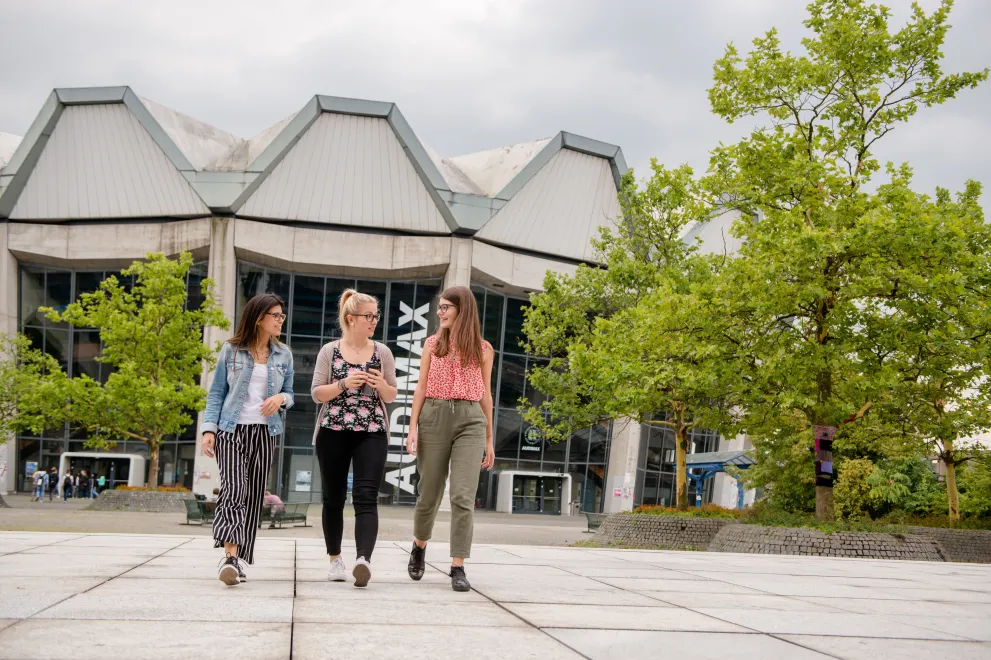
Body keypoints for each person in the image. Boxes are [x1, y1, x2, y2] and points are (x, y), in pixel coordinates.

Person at [201, 293, 294, 586]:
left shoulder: (284, 354)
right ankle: (229, 558)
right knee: (234, 488)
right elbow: (217, 392)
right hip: (231, 430)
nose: (280, 320)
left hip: (265, 433)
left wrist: (280, 398)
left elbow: (291, 393)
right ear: (259, 318)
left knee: (253, 497)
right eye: (276, 315)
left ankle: (238, 559)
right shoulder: (231, 350)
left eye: (282, 315)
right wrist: (208, 430)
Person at [405, 286, 495, 592]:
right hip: (434, 415)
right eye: (439, 307)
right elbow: (420, 387)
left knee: (462, 495)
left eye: (446, 307)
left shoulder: (484, 349)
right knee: (429, 492)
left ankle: (458, 565)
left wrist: (489, 438)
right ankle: (419, 546)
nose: (440, 312)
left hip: (471, 420)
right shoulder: (432, 344)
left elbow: (486, 395)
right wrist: (413, 427)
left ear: (462, 310)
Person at [311, 289, 398, 588]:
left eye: (376, 316)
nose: (374, 321)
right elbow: (316, 393)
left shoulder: (382, 352)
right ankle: (335, 560)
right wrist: (344, 383)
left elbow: (391, 395)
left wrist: (381, 384)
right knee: (333, 498)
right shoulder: (330, 350)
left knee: (366, 496)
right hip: (332, 430)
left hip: (371, 431)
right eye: (368, 316)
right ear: (351, 318)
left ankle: (364, 560)